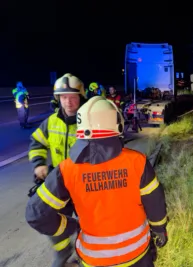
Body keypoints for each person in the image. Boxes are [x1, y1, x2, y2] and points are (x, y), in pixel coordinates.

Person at [26, 96, 169, 267]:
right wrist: (160, 229)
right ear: (116, 125)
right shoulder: (137, 162)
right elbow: (155, 202)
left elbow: (36, 214)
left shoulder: (66, 170)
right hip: (138, 255)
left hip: (93, 259)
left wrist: (69, 226)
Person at [28, 73, 87, 267]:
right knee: (44, 215)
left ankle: (84, 257)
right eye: (64, 97)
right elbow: (37, 142)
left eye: (72, 97)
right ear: (58, 99)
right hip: (58, 183)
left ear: (81, 97)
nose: (68, 102)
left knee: (89, 224)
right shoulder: (51, 122)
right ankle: (63, 253)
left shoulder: (90, 121)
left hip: (84, 185)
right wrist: (39, 164)